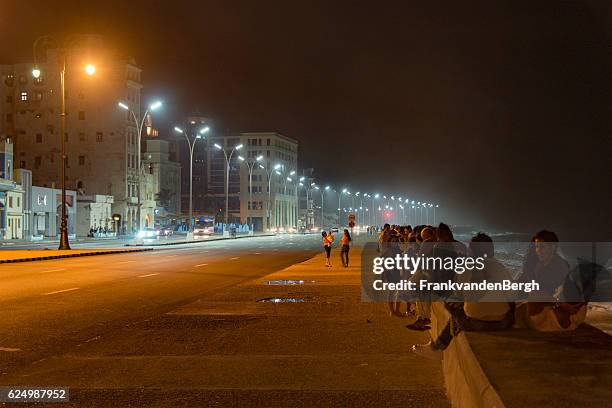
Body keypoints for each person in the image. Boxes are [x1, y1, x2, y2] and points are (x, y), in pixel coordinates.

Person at [412, 233, 515, 359]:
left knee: (451, 304)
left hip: (474, 323)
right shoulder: (501, 267)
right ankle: (438, 345)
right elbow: (511, 294)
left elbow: (458, 294)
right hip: (503, 322)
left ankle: (438, 347)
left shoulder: (467, 267)